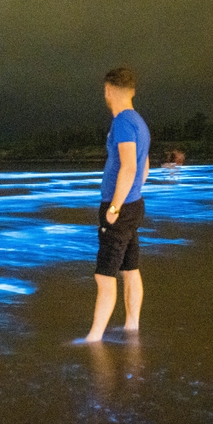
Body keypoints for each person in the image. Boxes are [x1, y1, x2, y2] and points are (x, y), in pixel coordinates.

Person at [84, 67, 150, 343]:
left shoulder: (122, 122)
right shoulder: (139, 122)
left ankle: (94, 339)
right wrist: (132, 195)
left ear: (109, 90)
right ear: (132, 91)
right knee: (130, 270)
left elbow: (129, 166)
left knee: (105, 275)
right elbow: (144, 167)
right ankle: (132, 328)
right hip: (134, 205)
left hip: (120, 208)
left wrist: (114, 207)